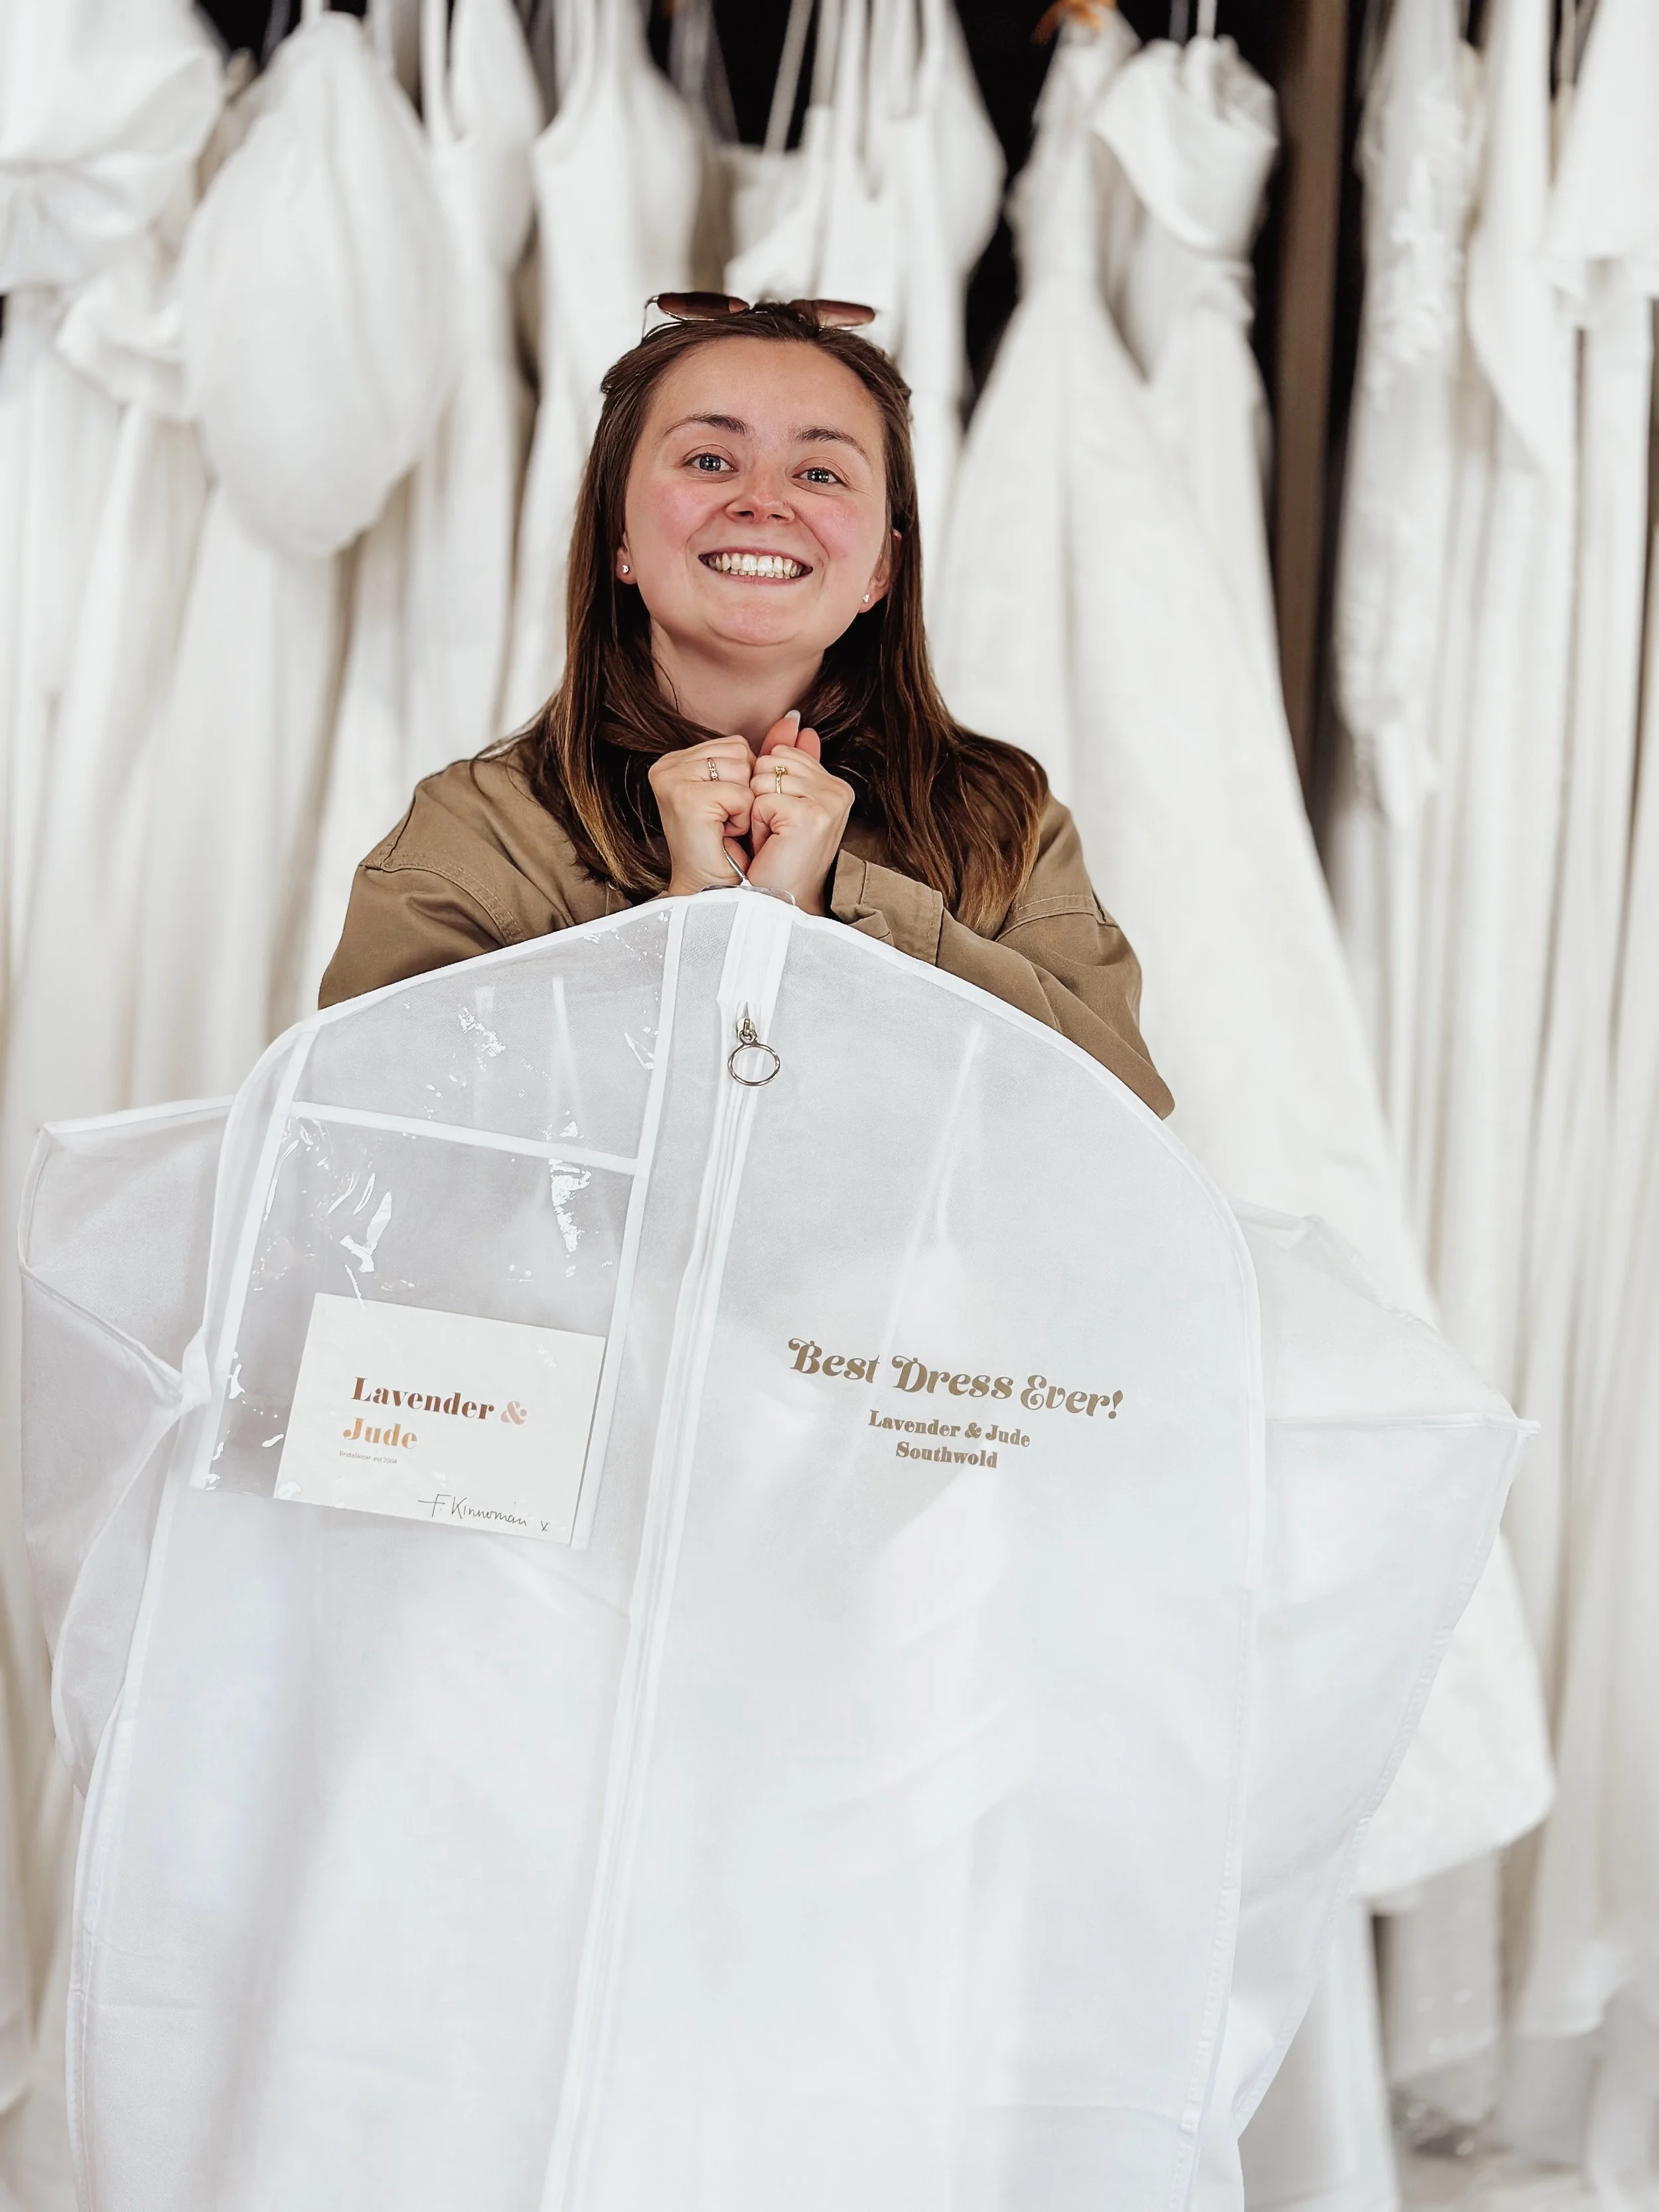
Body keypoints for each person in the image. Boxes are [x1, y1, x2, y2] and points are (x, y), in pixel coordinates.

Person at [320, 297, 1171, 1116]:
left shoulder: (1004, 821)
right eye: (708, 460)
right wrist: (683, 929)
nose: (763, 500)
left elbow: (1115, 1137)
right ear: (618, 535)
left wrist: (837, 915)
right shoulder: (476, 835)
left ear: (881, 569)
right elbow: (368, 1143)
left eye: (819, 472)